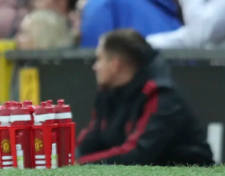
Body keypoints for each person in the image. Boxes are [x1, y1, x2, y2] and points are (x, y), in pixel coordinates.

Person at [77, 29, 213, 166]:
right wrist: (71, 157)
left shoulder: (161, 95)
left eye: (99, 59)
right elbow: (91, 139)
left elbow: (137, 153)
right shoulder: (107, 93)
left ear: (115, 64)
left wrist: (80, 163)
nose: (95, 67)